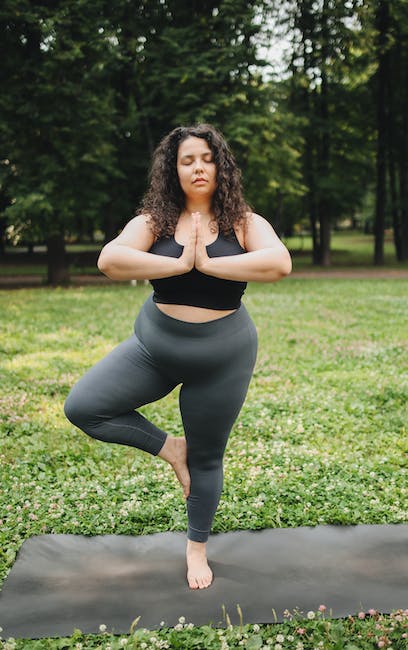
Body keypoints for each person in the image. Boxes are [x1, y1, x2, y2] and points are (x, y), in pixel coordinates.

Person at [64, 124, 292, 590]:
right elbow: (110, 260)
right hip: (155, 349)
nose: (198, 167)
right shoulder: (154, 221)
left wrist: (208, 263)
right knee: (83, 407)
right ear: (174, 170)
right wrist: (177, 263)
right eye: (187, 160)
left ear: (220, 166)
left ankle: (196, 549)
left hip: (222, 358)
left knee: (208, 458)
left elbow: (279, 263)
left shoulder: (243, 221)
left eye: (206, 158)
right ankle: (173, 449)